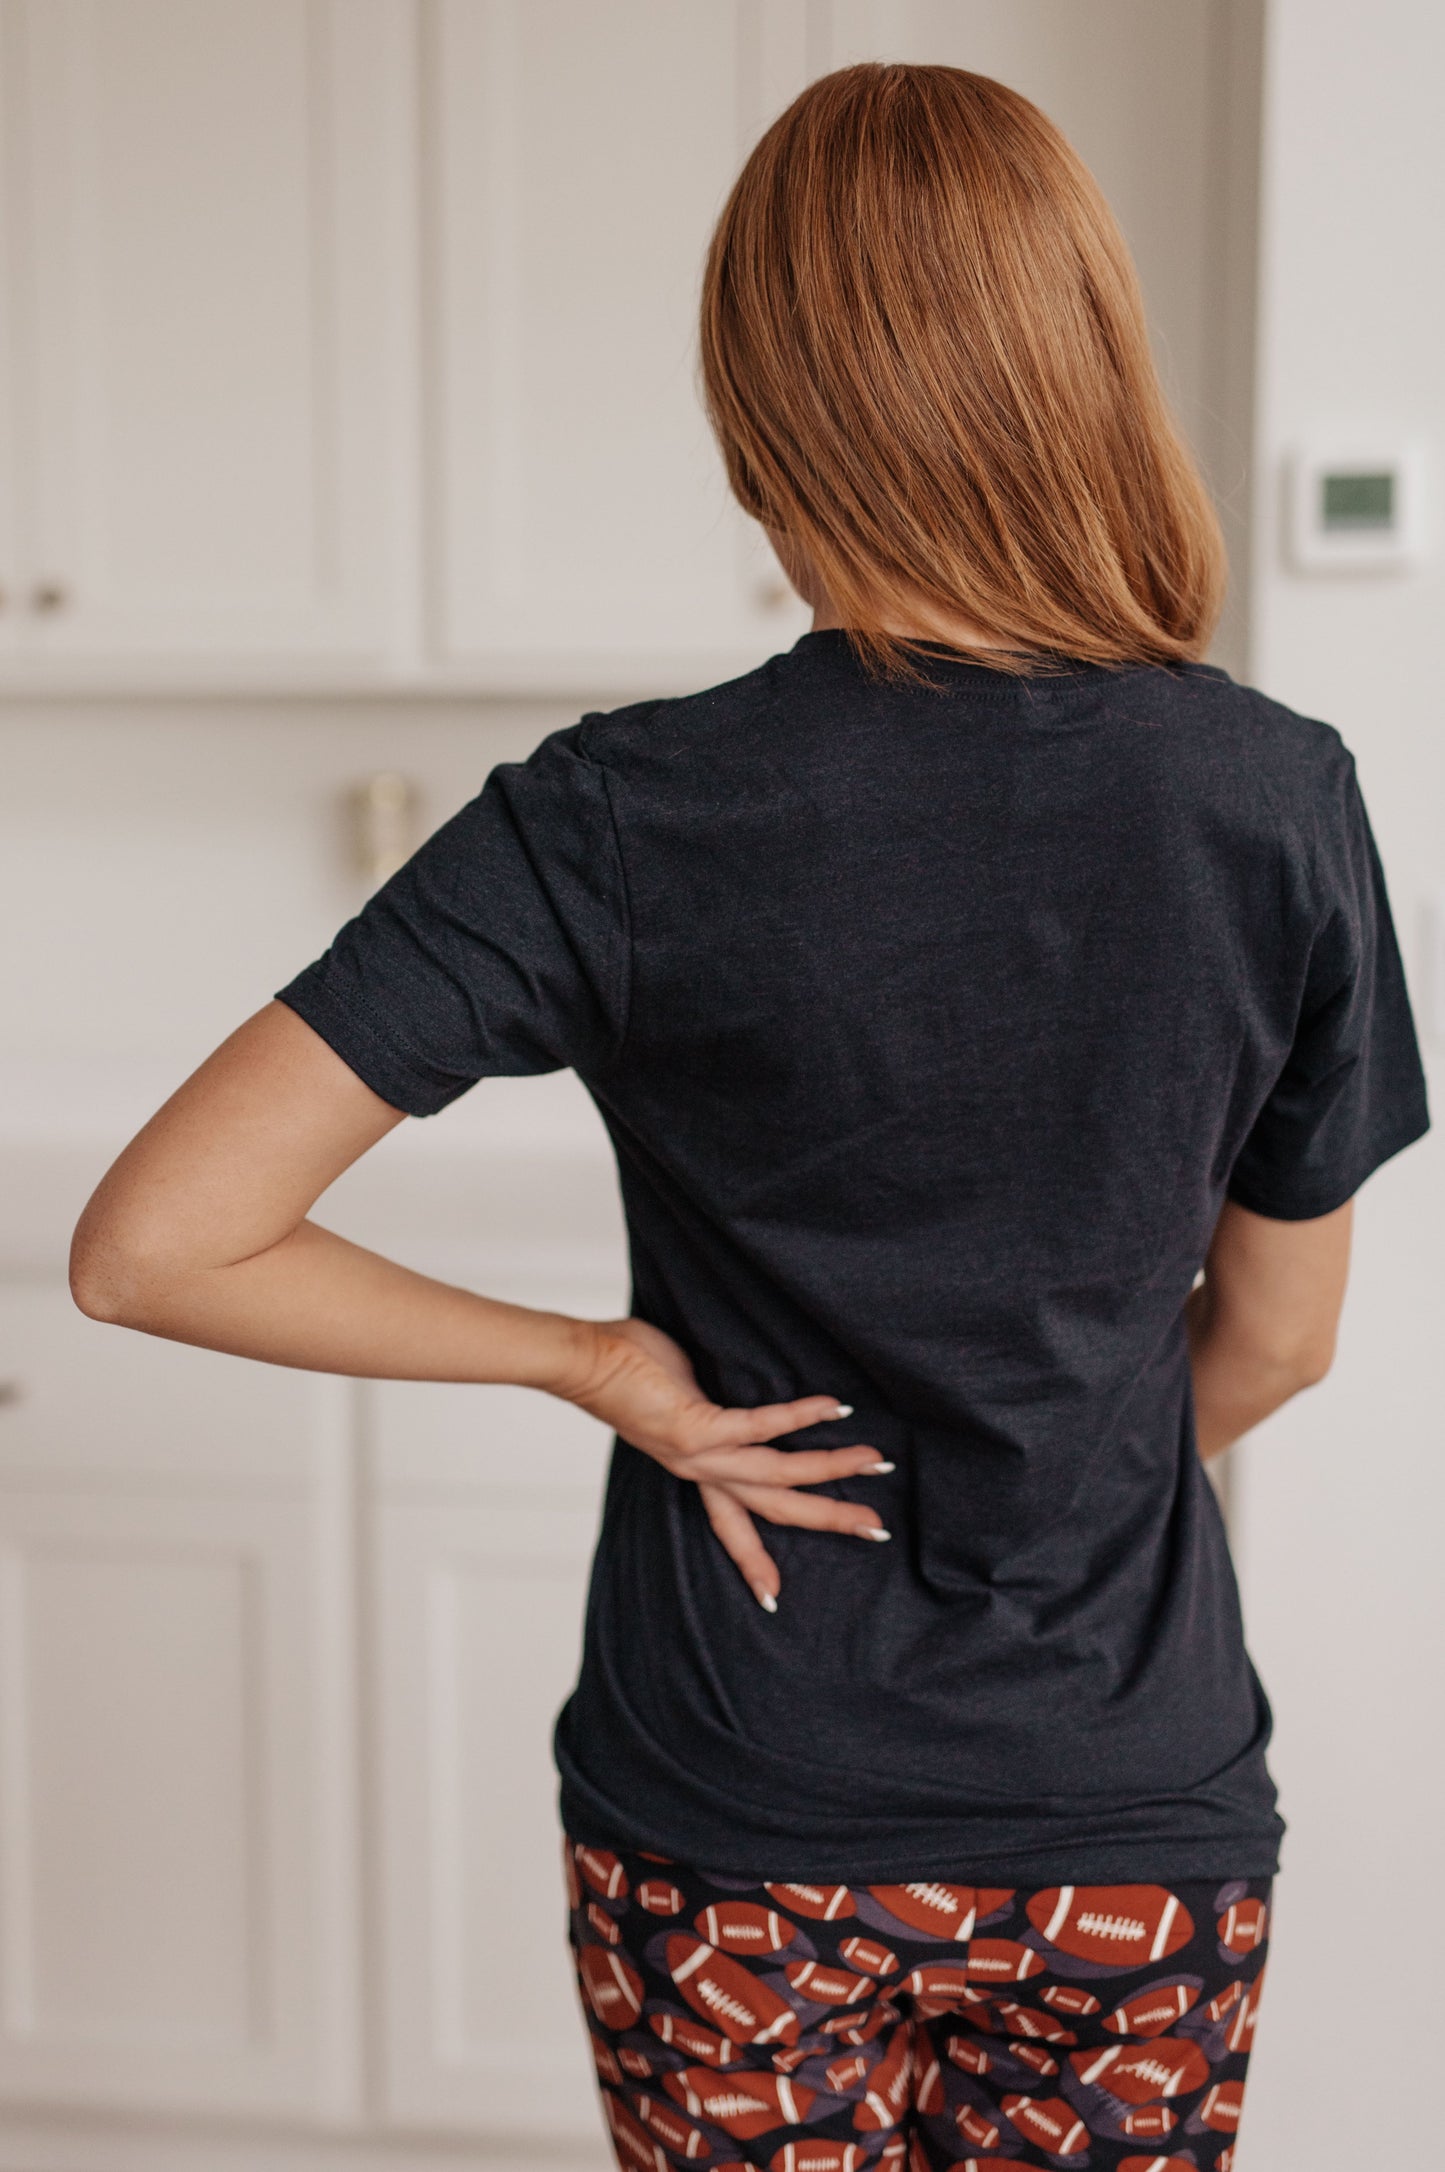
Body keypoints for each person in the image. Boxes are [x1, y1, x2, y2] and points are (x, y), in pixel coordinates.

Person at [70, 62, 1428, 2172]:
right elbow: (1279, 1339)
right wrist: (1050, 1462)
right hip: (1126, 1812)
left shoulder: (620, 817)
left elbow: (154, 1243)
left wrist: (597, 1362)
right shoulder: (1277, 801)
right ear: (1083, 370)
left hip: (734, 1806)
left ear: (758, 412)